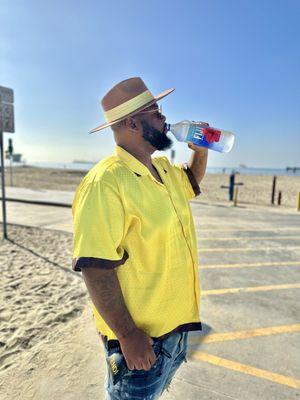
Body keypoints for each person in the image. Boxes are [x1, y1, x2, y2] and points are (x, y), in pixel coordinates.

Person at [72, 77, 208, 399]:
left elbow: (191, 179)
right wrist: (128, 336)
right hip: (141, 343)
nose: (164, 118)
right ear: (132, 122)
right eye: (156, 112)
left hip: (175, 332)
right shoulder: (105, 183)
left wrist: (200, 151)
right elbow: (96, 267)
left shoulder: (162, 168)